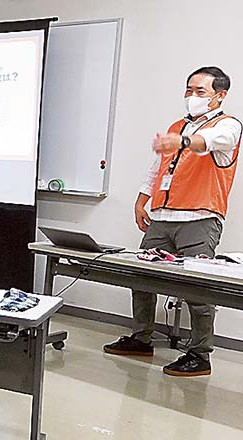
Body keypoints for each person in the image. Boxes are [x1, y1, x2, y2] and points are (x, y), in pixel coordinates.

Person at [104, 66, 241, 377]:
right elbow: (158, 168)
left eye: (200, 91)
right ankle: (141, 338)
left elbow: (209, 141)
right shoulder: (177, 126)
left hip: (199, 218)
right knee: (141, 278)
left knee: (198, 289)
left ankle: (200, 354)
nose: (191, 96)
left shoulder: (228, 125)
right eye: (188, 90)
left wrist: (182, 141)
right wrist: (141, 200)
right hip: (162, 217)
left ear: (220, 95)